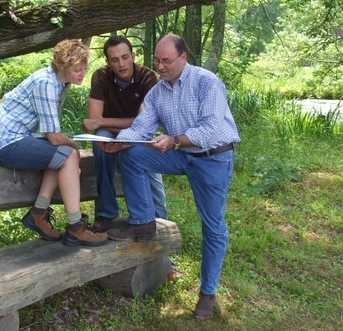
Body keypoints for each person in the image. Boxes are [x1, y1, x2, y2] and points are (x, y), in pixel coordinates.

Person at [98, 34, 241, 320]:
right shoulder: (157, 92)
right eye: (157, 61)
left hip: (212, 157)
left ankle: (207, 293)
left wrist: (175, 140)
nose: (160, 67)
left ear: (183, 58)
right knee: (132, 154)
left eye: (166, 61)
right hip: (181, 154)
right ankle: (143, 221)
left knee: (212, 226)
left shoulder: (206, 82)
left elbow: (211, 129)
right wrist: (122, 141)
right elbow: (141, 128)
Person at [0, 39, 107, 247]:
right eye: (77, 69)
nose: (82, 73)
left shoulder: (55, 81)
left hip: (7, 138)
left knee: (61, 154)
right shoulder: (46, 83)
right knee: (68, 155)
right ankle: (74, 228)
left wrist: (67, 147)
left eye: (84, 68)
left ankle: (38, 213)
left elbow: (53, 140)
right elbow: (54, 137)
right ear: (63, 66)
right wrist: (73, 146)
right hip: (1, 141)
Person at [82, 35, 167, 233]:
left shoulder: (148, 77)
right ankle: (107, 212)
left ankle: (158, 220)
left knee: (141, 154)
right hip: (109, 133)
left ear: (133, 56)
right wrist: (103, 124)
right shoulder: (101, 76)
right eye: (115, 59)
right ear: (107, 62)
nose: (121, 64)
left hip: (140, 133)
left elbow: (143, 122)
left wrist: (104, 121)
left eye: (125, 57)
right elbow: (95, 121)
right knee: (100, 142)